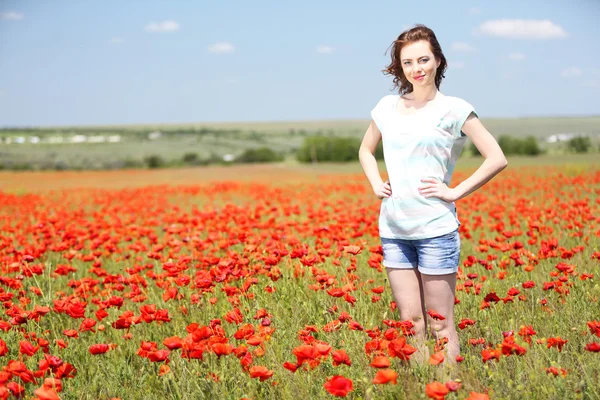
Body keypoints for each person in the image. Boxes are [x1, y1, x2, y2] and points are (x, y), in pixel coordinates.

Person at [358, 24, 507, 364]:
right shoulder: (386, 107)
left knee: (440, 325)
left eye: (423, 59)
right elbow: (366, 150)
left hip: (436, 231)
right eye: (408, 62)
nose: (416, 68)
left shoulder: (454, 109)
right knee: (411, 324)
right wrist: (375, 182)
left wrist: (454, 192)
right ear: (400, 67)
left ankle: (448, 386)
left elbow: (497, 157)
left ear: (438, 60)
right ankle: (423, 387)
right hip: (394, 230)